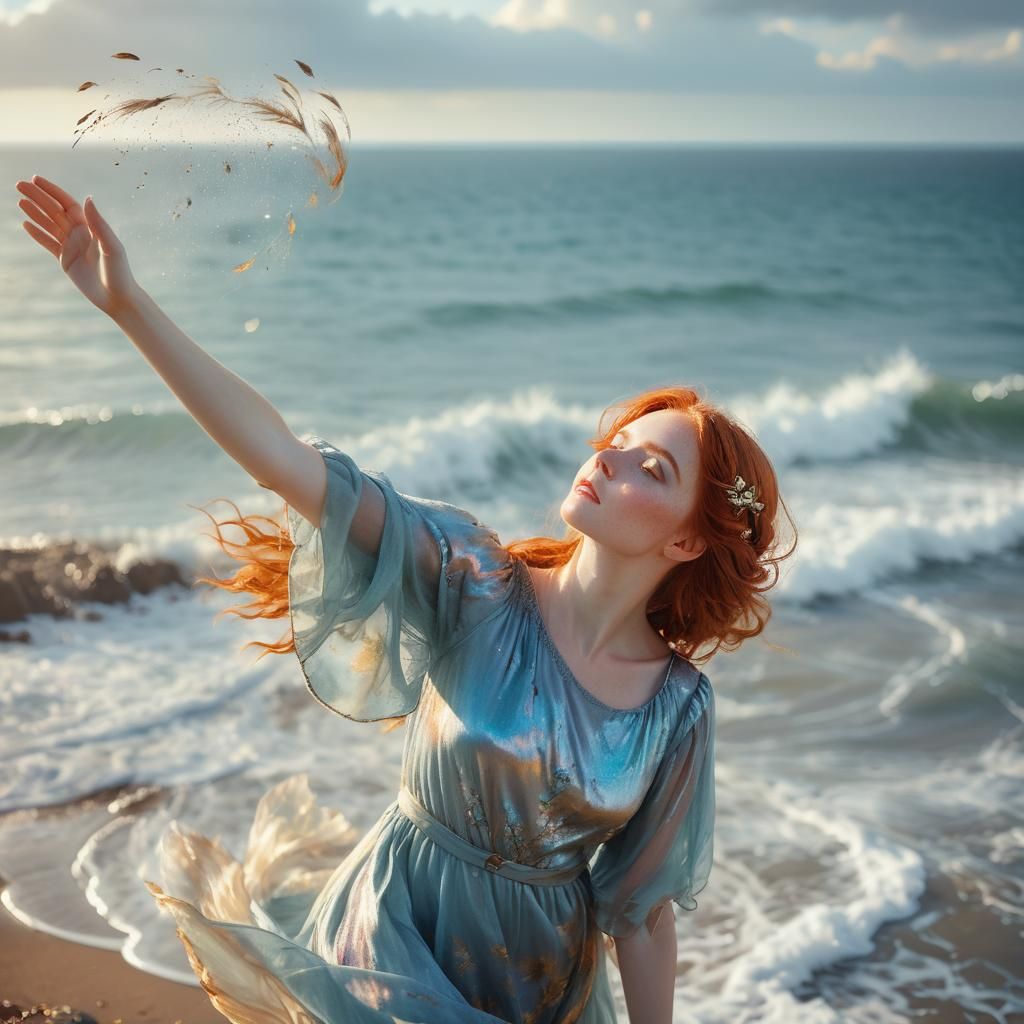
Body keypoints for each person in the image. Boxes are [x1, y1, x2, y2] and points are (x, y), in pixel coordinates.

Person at [15, 174, 797, 1023]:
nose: (607, 457)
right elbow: (283, 458)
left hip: (543, 986)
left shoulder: (676, 709)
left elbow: (640, 917)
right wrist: (128, 306)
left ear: (687, 542)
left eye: (652, 468)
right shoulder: (476, 580)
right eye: (618, 440)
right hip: (394, 942)